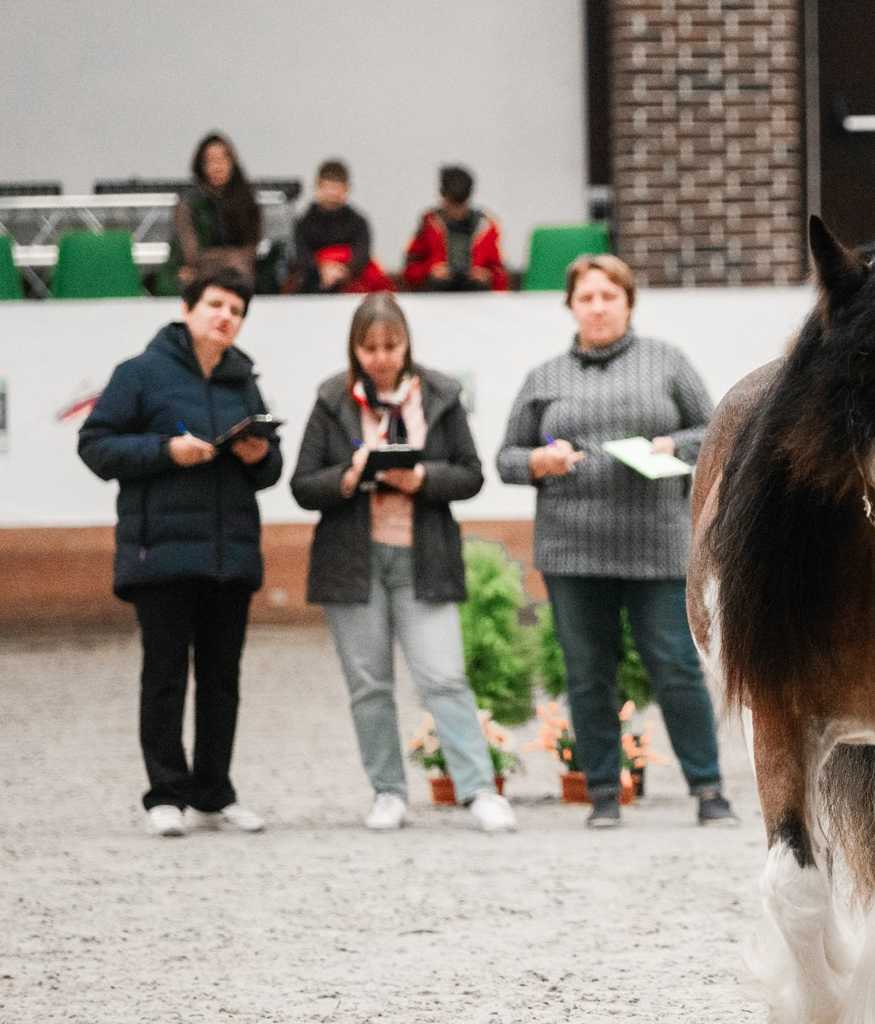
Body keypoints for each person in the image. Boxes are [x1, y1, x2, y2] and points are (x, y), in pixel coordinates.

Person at [496, 254, 735, 828]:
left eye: (609, 296)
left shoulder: (667, 362)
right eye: (587, 298)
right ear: (571, 306)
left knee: (676, 665)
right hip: (572, 550)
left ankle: (708, 790)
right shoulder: (543, 377)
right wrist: (538, 460)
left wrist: (672, 447)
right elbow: (505, 458)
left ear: (629, 302)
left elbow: (715, 431)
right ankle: (602, 791)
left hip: (655, 546)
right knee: (586, 672)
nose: (598, 307)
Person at [289, 294, 516, 833]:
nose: (381, 358)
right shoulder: (331, 399)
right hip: (353, 559)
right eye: (369, 348)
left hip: (424, 556)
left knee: (444, 677)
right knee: (369, 684)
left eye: (391, 346)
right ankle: (388, 792)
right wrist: (349, 476)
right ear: (355, 349)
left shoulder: (440, 395)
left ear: (407, 343)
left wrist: (421, 480)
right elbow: (303, 484)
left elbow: (471, 473)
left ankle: (479, 790)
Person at [77, 268, 283, 838]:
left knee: (222, 677)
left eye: (237, 310)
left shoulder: (245, 381)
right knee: (165, 674)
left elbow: (272, 468)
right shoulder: (139, 373)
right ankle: (164, 793)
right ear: (189, 307)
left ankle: (214, 792)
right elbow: (95, 446)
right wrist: (167, 450)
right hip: (161, 554)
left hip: (230, 554)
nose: (226, 317)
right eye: (216, 304)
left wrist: (256, 455)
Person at [287, 160, 392, 294]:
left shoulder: (358, 222)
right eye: (328, 187)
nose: (332, 193)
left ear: (346, 188)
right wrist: (322, 270)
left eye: (337, 188)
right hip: (313, 282)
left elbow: (361, 255)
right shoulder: (303, 223)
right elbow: (301, 256)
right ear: (318, 186)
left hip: (352, 282)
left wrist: (341, 271)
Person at [173, 132, 262, 290]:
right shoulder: (189, 204)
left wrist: (219, 259)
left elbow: (251, 251)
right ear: (201, 166)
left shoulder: (247, 201)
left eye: (223, 159)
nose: (218, 166)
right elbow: (191, 255)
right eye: (211, 160)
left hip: (241, 276)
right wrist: (228, 259)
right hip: (200, 277)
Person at [402, 165, 510, 291]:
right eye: (452, 203)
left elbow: (500, 274)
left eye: (461, 203)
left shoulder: (486, 227)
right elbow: (410, 271)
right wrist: (430, 270)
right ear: (443, 198)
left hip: (477, 294)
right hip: (437, 293)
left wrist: (488, 276)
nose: (457, 211)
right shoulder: (428, 225)